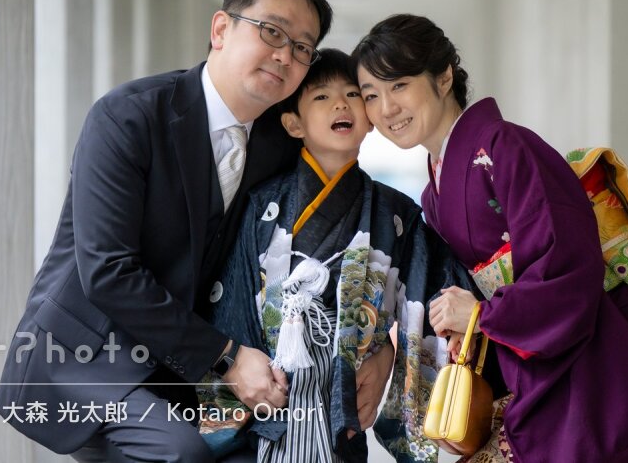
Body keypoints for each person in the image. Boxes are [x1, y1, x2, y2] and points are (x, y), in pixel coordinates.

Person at [0, 0, 390, 462]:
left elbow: (326, 250)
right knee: (181, 453)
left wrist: (382, 349)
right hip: (89, 355)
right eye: (272, 32)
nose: (285, 55)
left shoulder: (277, 141)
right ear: (221, 29)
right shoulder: (128, 117)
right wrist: (225, 358)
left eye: (302, 48)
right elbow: (107, 271)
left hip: (184, 366)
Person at [352, 15, 628, 463]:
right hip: (544, 364)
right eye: (372, 95)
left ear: (444, 75)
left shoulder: (505, 148)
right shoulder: (435, 192)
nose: (387, 108)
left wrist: (484, 314)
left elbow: (567, 263)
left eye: (400, 85)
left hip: (606, 358)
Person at [200, 49, 467, 463]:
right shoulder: (262, 205)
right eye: (321, 97)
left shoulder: (395, 214)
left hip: (344, 398)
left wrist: (389, 352)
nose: (341, 104)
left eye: (352, 95)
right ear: (293, 123)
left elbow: (428, 296)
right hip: (270, 394)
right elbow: (231, 299)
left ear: (370, 120)